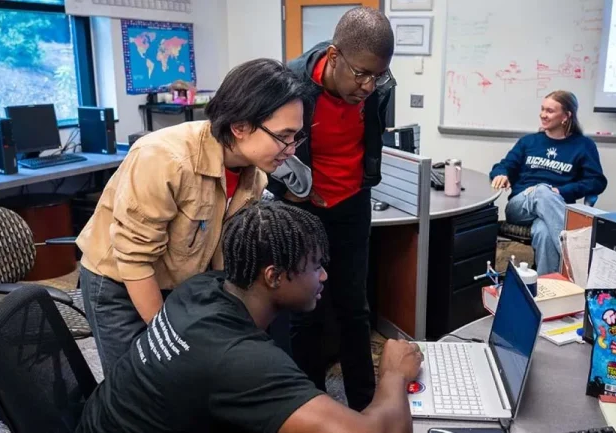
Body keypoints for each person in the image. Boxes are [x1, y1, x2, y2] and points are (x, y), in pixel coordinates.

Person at [75, 202, 423, 433]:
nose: (324, 277)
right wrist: (394, 373)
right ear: (273, 276)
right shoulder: (239, 359)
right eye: (316, 266)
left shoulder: (202, 288)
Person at [76, 59, 312, 374]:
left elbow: (224, 252)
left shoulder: (253, 177)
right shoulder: (164, 159)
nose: (292, 149)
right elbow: (133, 260)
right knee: (138, 384)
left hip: (179, 277)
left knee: (182, 378)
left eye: (297, 136)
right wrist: (167, 336)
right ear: (240, 126)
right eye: (284, 136)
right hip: (121, 282)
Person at [267, 7, 396, 410]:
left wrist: (363, 183)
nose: (369, 85)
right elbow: (272, 145)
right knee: (305, 310)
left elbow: (372, 139)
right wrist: (287, 192)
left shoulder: (378, 85)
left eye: (378, 75)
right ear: (334, 56)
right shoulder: (290, 84)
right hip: (304, 208)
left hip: (353, 204)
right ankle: (312, 403)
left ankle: (365, 403)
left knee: (354, 308)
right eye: (361, 73)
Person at [490, 90, 607, 275]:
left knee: (544, 232)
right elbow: (503, 166)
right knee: (542, 191)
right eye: (542, 109)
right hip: (520, 207)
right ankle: (580, 262)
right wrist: (501, 174)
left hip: (554, 208)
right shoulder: (529, 142)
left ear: (566, 116)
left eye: (550, 111)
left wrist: (562, 191)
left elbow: (596, 182)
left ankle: (548, 291)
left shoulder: (583, 145)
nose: (543, 115)